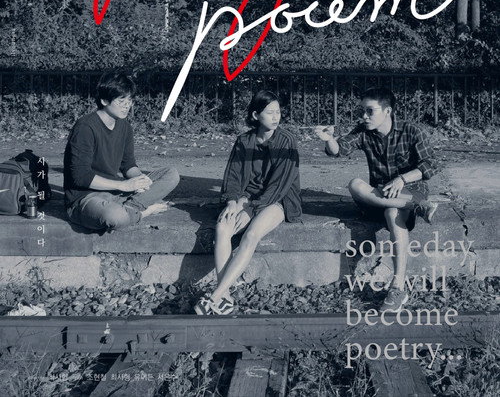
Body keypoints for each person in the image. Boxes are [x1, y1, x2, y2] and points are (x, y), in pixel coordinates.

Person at [315, 87, 438, 313]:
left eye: (370, 111)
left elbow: (430, 165)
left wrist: (402, 179)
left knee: (393, 213)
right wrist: (329, 139)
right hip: (380, 195)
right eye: (362, 111)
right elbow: (340, 150)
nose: (364, 116)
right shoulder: (364, 131)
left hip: (409, 191)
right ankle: (417, 208)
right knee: (355, 184)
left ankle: (398, 287)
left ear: (387, 111)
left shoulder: (411, 131)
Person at [194, 90, 302, 315]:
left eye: (278, 112)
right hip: (248, 198)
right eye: (270, 112)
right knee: (222, 227)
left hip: (277, 200)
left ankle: (215, 296)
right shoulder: (244, 141)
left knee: (251, 235)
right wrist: (232, 202)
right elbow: (232, 177)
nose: (276, 117)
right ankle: (225, 296)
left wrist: (251, 210)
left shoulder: (287, 140)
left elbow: (278, 187)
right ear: (255, 115)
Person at [64, 70, 180, 232]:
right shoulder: (85, 127)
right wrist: (123, 185)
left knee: (171, 174)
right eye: (121, 100)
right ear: (104, 100)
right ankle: (143, 212)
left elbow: (128, 165)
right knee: (115, 217)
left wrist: (140, 179)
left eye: (130, 99)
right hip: (86, 198)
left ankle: (132, 207)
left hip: (116, 193)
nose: (127, 105)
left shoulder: (125, 126)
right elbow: (80, 177)